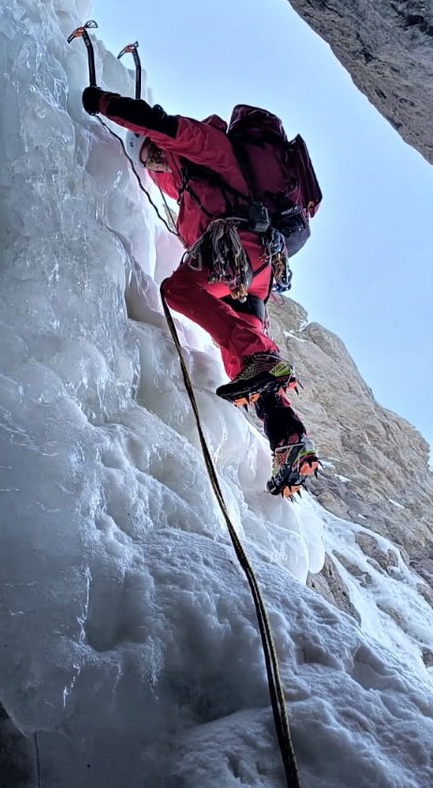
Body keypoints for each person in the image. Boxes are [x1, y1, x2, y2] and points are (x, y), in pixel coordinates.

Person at [83, 84, 320, 498]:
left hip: (234, 248)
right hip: (260, 270)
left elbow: (164, 127)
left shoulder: (213, 147)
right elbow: (174, 178)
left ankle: (260, 358)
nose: (153, 162)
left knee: (178, 291)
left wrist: (102, 102)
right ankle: (287, 436)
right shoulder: (198, 175)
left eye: (151, 154)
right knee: (240, 358)